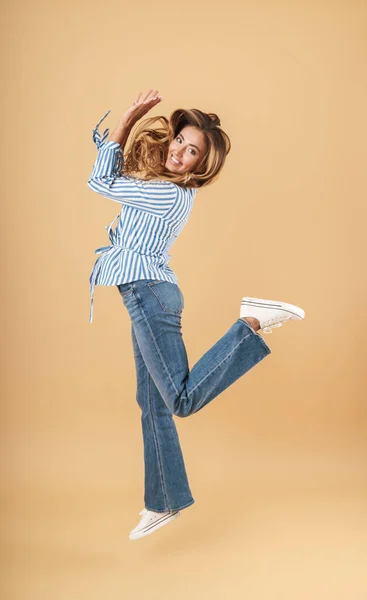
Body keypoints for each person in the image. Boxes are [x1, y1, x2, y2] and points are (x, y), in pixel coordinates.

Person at [87, 89, 305, 541]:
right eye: (180, 142)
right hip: (148, 292)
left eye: (193, 152)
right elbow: (116, 176)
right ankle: (163, 499)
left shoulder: (168, 195)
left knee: (179, 401)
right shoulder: (160, 188)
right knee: (152, 404)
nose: (180, 154)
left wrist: (126, 120)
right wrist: (128, 138)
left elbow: (101, 184)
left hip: (150, 294)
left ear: (201, 164)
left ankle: (250, 324)